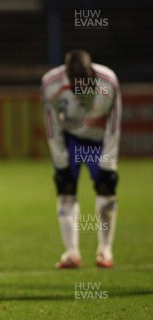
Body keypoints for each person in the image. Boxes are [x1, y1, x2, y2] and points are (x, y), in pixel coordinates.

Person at [41, 50, 121, 269]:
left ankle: (105, 251)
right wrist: (60, 158)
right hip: (70, 139)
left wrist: (109, 159)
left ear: (91, 74)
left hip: (98, 139)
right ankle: (71, 252)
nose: (81, 91)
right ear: (67, 76)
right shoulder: (51, 84)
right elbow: (52, 125)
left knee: (107, 186)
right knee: (65, 188)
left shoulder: (109, 81)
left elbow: (114, 123)